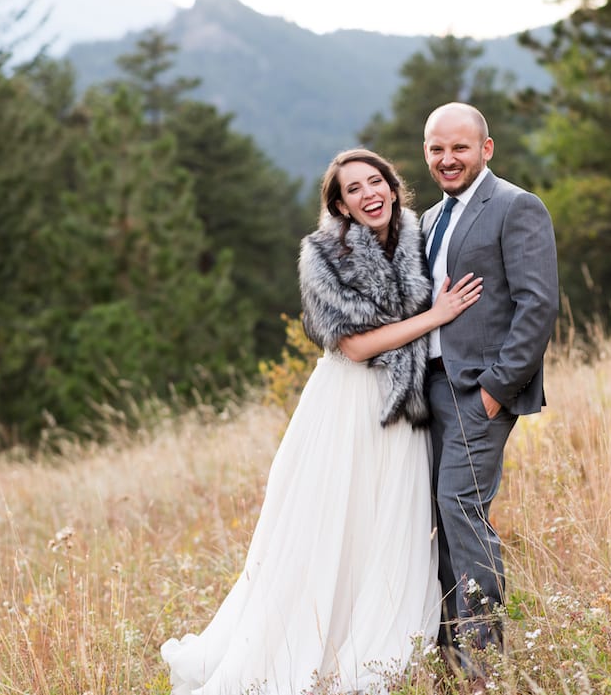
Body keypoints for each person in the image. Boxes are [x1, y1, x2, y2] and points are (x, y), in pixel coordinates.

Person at [161, 148, 484, 695]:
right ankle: (307, 653)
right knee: (333, 529)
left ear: (392, 185)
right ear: (339, 204)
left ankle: (380, 649)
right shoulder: (324, 255)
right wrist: (436, 316)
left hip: (403, 408)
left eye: (375, 181)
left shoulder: (415, 236)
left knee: (388, 528)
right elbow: (355, 347)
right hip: (349, 407)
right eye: (353, 189)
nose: (369, 193)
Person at [420, 102, 558, 679]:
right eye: (436, 149)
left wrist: (496, 392)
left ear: (486, 148)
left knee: (462, 510)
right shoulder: (429, 219)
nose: (448, 159)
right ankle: (448, 662)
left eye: (459, 148)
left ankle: (483, 669)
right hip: (426, 393)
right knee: (436, 520)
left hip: (478, 393)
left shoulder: (515, 206)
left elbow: (538, 305)